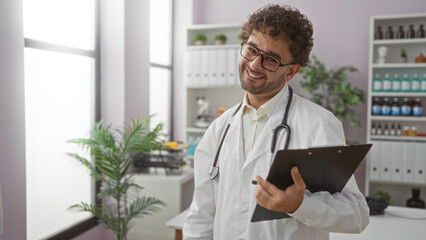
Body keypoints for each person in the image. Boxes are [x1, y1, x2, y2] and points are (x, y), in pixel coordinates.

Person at [183, 4, 369, 240]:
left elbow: (357, 214)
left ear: (290, 72)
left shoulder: (318, 124)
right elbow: (201, 216)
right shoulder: (219, 128)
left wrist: (300, 205)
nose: (254, 65)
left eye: (270, 60)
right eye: (251, 50)